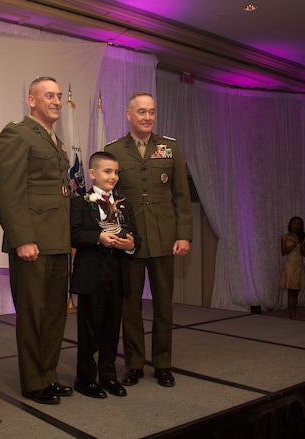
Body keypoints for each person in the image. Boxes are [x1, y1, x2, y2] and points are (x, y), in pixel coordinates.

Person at [0, 76, 74, 405]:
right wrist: (22, 238)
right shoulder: (17, 133)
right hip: (33, 242)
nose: (55, 101)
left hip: (57, 240)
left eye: (57, 95)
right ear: (31, 100)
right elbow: (7, 192)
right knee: (32, 314)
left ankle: (49, 374)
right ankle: (32, 381)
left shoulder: (56, 141)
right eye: (48, 95)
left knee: (55, 314)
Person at [104, 91, 192, 388]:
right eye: (141, 112)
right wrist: (114, 236)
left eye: (151, 112)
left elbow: (181, 195)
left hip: (164, 237)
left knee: (164, 306)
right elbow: (109, 198)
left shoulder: (170, 148)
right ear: (129, 115)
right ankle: (134, 364)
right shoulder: (113, 150)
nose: (147, 117)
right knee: (130, 306)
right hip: (130, 239)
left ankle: (163, 363)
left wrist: (183, 235)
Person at [70, 151, 139, 399]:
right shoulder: (80, 202)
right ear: (92, 174)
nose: (113, 176)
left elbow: (136, 238)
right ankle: (85, 378)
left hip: (117, 272)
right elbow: (73, 233)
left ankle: (108, 375)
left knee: (112, 327)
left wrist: (130, 243)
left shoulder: (124, 204)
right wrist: (98, 238)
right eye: (107, 171)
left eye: (116, 172)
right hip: (92, 273)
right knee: (90, 328)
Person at [279, 216, 305, 319]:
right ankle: (292, 315)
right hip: (290, 266)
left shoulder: (303, 236)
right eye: (294, 223)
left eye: (298, 224)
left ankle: (294, 313)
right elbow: (283, 252)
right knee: (291, 292)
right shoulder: (284, 236)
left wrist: (303, 244)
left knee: (296, 292)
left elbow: (304, 254)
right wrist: (295, 243)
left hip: (299, 266)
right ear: (290, 224)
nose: (296, 225)